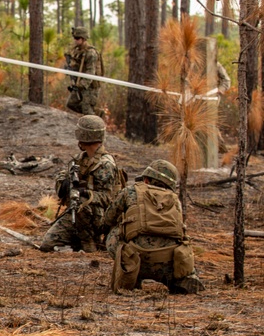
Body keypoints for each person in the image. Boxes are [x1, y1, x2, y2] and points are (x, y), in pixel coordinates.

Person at [101, 160, 204, 294]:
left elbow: (108, 219)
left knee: (114, 232)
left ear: (147, 179)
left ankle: (129, 275)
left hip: (137, 258)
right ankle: (182, 279)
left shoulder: (130, 191)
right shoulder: (175, 200)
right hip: (169, 263)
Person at [39, 115, 123, 252]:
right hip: (77, 214)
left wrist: (85, 193)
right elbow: (63, 174)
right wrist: (64, 183)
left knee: (81, 203)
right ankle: (79, 242)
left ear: (84, 136)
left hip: (97, 217)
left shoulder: (105, 165)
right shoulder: (81, 159)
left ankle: (90, 241)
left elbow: (109, 198)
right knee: (48, 244)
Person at [65, 27, 102, 116]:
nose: (75, 40)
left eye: (77, 38)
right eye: (74, 38)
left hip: (90, 86)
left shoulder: (91, 53)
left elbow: (91, 72)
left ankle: (93, 126)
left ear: (84, 39)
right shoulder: (77, 51)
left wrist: (81, 85)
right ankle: (96, 113)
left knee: (87, 110)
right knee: (71, 104)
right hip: (79, 84)